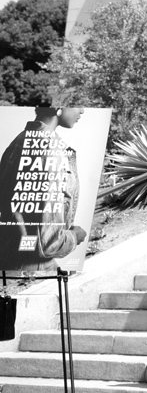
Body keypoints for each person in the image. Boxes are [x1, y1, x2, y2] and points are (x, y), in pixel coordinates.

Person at [0, 106, 87, 273]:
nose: (82, 111)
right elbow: (49, 244)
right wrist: (75, 236)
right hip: (34, 269)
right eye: (77, 104)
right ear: (58, 107)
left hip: (12, 263)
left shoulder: (19, 141)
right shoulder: (51, 150)